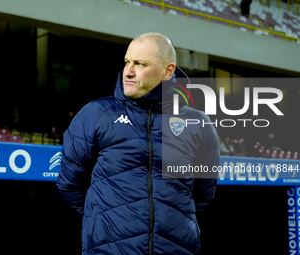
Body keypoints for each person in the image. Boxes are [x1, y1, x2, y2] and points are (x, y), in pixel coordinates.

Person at [56, 32, 220, 255]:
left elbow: (202, 193)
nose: (128, 72)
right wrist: (104, 219)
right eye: (127, 62)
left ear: (168, 71)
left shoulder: (198, 123)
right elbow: (69, 184)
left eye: (140, 64)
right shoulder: (96, 114)